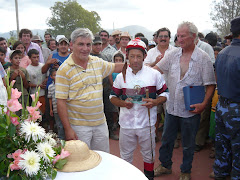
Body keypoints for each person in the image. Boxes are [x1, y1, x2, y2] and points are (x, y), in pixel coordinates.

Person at [153, 21, 216, 180]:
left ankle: (185, 171)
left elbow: (210, 85)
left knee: (188, 144)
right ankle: (165, 165)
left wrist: (203, 104)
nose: (179, 39)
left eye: (183, 36)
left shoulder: (203, 58)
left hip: (191, 110)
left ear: (193, 36)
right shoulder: (172, 54)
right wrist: (138, 72)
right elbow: (156, 70)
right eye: (178, 35)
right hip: (171, 108)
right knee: (167, 140)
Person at [55, 28, 124, 153]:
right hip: (79, 127)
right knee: (81, 163)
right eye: (81, 44)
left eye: (88, 44)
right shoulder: (64, 70)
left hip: (100, 124)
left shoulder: (97, 62)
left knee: (102, 159)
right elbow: (60, 102)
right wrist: (68, 129)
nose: (85, 48)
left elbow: (115, 67)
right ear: (71, 45)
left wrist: (137, 65)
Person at [110, 38, 168, 180]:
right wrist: (123, 103)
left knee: (149, 155)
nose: (135, 60)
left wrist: (155, 102)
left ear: (145, 56)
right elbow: (112, 97)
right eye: (132, 56)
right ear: (127, 56)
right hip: (126, 124)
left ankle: (148, 177)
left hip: (146, 124)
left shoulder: (154, 75)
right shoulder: (120, 76)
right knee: (125, 156)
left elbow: (165, 94)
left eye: (139, 56)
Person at [212, 16, 240, 180]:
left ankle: (220, 176)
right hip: (237, 108)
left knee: (222, 149)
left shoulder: (222, 52)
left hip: (222, 107)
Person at [90, 35, 118, 140]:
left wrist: (112, 85)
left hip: (106, 88)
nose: (98, 46)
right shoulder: (89, 57)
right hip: (93, 90)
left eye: (99, 44)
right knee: (95, 111)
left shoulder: (105, 57)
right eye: (95, 44)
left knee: (108, 111)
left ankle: (110, 131)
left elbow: (109, 71)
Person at [9, 50, 30, 115]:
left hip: (24, 95)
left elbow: (27, 86)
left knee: (25, 114)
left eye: (19, 58)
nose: (18, 60)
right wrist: (12, 77)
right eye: (15, 58)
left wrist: (23, 77)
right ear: (11, 60)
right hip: (13, 96)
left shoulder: (24, 70)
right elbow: (7, 86)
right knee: (15, 115)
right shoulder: (8, 70)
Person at [26, 49, 47, 115]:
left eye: (37, 57)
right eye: (34, 57)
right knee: (38, 113)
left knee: (46, 112)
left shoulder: (42, 66)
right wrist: (38, 85)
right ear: (29, 58)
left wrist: (46, 80)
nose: (36, 59)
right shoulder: (28, 69)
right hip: (35, 94)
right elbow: (28, 84)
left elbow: (48, 76)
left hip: (45, 93)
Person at [48, 68, 65, 140]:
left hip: (64, 109)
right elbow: (50, 98)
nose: (57, 76)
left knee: (65, 123)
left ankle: (67, 138)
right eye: (55, 75)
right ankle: (61, 139)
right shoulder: (50, 87)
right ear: (51, 77)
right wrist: (51, 109)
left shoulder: (63, 85)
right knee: (59, 125)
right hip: (55, 109)